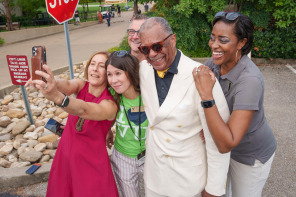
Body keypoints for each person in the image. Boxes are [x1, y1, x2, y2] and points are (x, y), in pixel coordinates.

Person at [138, 17, 231, 197]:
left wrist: (213, 189)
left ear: (172, 40)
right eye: (145, 49)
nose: (151, 54)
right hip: (154, 176)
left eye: (157, 46)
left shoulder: (202, 77)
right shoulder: (143, 69)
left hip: (188, 182)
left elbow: (216, 140)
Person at [193, 11, 277, 197]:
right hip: (222, 146)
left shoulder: (250, 80)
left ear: (242, 43)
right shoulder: (214, 64)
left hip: (249, 155)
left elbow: (227, 143)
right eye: (212, 37)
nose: (214, 45)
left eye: (223, 40)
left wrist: (207, 96)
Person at [26, 51, 119, 197]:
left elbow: (84, 109)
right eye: (92, 64)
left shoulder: (109, 104)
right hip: (66, 155)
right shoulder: (81, 85)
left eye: (101, 66)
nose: (94, 69)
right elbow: (67, 84)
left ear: (108, 73)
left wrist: (58, 97)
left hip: (90, 164)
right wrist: (51, 82)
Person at [106, 51, 148, 197]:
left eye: (118, 73)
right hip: (123, 156)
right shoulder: (111, 96)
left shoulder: (150, 93)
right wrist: (106, 130)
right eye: (109, 74)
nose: (113, 80)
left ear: (130, 72)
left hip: (152, 155)